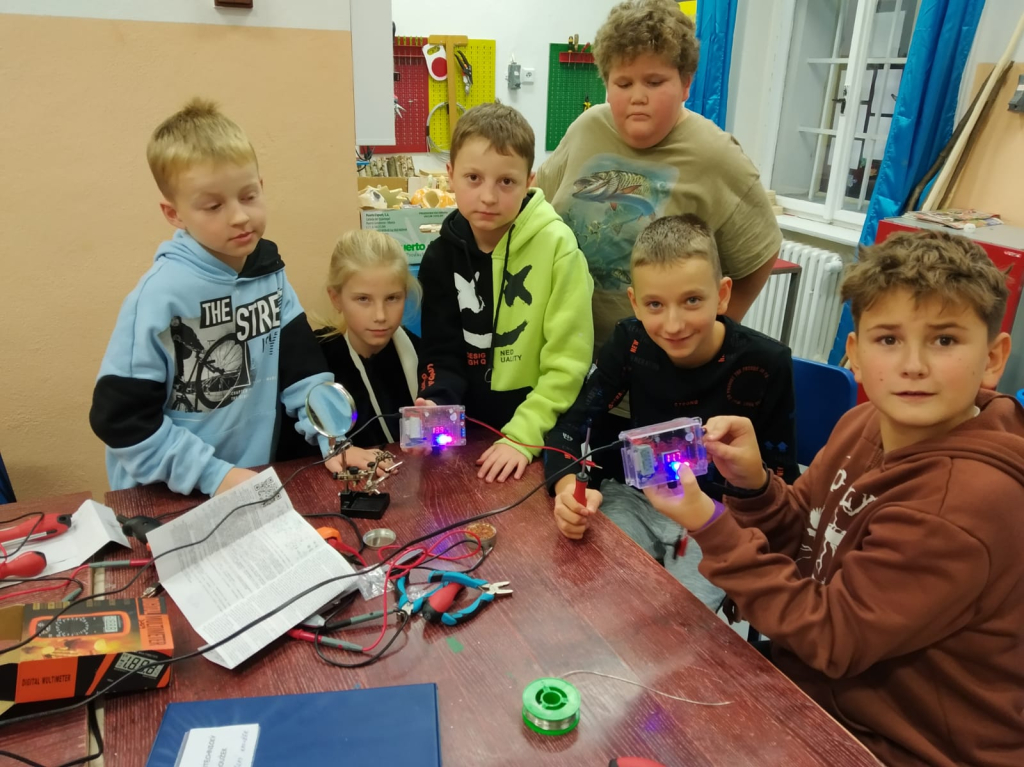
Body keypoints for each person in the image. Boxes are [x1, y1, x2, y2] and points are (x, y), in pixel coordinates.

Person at [644, 230, 1024, 766]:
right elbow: (805, 534)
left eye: (944, 340)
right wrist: (754, 485)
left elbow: (831, 638)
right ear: (855, 355)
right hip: (814, 694)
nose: (913, 365)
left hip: (897, 745)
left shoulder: (963, 504)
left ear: (993, 358)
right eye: (888, 339)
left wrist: (712, 525)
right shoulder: (865, 422)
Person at [546, 215, 798, 610]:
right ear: (635, 303)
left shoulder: (767, 362)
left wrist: (741, 506)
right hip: (637, 501)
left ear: (723, 294)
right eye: (655, 305)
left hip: (719, 518)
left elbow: (782, 481)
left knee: (683, 622)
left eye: (692, 300)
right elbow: (568, 429)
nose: (674, 324)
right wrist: (567, 494)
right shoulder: (630, 342)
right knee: (594, 601)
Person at [90, 98, 335, 496]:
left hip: (247, 481)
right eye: (214, 206)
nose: (239, 216)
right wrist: (214, 475)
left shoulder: (269, 272)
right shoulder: (158, 297)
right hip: (165, 497)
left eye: (248, 196)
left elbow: (303, 373)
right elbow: (122, 423)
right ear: (174, 214)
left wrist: (333, 437)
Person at [536, 0, 781, 347]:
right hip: (562, 348)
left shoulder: (716, 154)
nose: (638, 97)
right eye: (623, 83)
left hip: (659, 365)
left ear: (686, 83)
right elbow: (536, 206)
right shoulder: (585, 129)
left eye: (654, 82)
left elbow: (760, 253)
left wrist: (713, 330)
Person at [415, 102, 594, 483]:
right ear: (450, 175)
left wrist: (523, 436)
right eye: (473, 178)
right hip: (469, 438)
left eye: (506, 182)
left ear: (529, 181)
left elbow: (567, 363)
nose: (488, 197)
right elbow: (440, 351)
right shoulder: (440, 256)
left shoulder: (558, 248)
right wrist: (436, 404)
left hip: (538, 435)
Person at [278, 230, 419, 470]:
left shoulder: (421, 355)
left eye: (392, 298)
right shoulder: (313, 367)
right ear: (336, 298)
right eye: (363, 299)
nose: (380, 316)